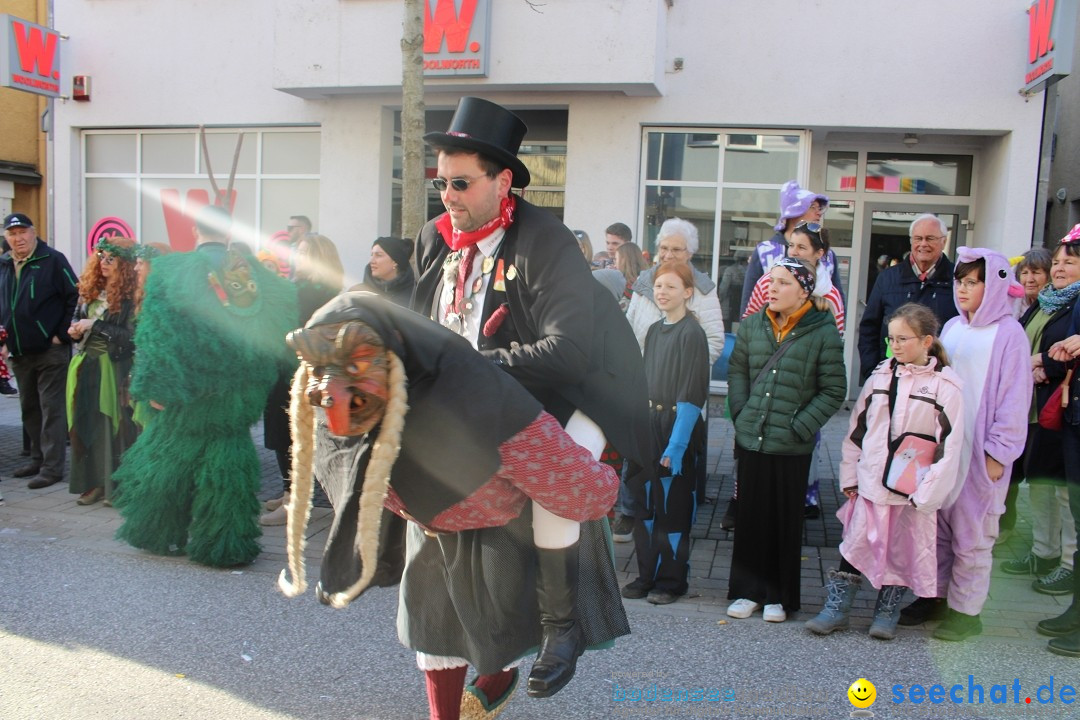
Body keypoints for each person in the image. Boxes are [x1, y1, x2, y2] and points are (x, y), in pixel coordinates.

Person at [278, 292, 626, 720]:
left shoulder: (486, 404)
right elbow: (350, 471)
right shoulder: (334, 396)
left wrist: (592, 465)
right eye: (322, 370)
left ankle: (556, 631)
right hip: (433, 521)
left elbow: (585, 491)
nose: (332, 395)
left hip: (507, 507)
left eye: (353, 365)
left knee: (503, 617)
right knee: (434, 623)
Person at [412, 96, 649, 715]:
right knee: (425, 524)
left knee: (555, 481)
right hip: (488, 397)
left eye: (461, 183)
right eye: (441, 182)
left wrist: (472, 368)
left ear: (504, 180)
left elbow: (568, 354)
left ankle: (560, 626)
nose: (448, 196)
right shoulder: (434, 240)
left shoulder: (545, 240)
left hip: (584, 388)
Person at [112, 205, 298, 567]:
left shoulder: (170, 270)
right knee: (227, 459)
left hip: (186, 391)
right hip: (237, 395)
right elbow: (280, 340)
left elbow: (155, 335)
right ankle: (224, 544)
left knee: (170, 459)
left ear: (195, 230)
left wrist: (153, 387)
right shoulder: (262, 278)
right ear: (229, 233)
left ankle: (158, 532)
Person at [805, 303, 963, 640]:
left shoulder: (945, 388)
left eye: (903, 339)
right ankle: (837, 608)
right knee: (855, 544)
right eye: (891, 339)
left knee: (901, 549)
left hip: (912, 494)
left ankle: (887, 611)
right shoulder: (878, 378)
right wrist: (850, 477)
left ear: (927, 341)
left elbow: (949, 447)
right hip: (872, 485)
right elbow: (856, 432)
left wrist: (928, 494)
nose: (895, 346)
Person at [899, 247, 1029, 641]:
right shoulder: (953, 327)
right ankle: (934, 595)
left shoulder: (1010, 335)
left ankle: (966, 611)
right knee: (936, 527)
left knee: (973, 534)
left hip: (979, 452)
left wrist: (998, 454)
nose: (963, 288)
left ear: (995, 287)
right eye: (959, 280)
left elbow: (1015, 398)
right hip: (945, 449)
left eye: (973, 281)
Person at [725, 257, 846, 623]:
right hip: (752, 439)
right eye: (770, 282)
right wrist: (742, 414)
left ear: (803, 290)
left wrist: (799, 426)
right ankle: (747, 592)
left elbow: (833, 389)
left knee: (783, 521)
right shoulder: (751, 326)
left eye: (782, 283)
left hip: (791, 446)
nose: (772, 289)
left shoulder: (823, 330)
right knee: (750, 518)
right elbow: (737, 374)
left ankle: (778, 596)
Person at [740, 221, 847, 518]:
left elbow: (832, 358)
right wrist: (742, 406)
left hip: (801, 399)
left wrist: (803, 421)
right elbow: (748, 331)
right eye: (791, 245)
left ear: (820, 253)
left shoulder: (830, 295)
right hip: (762, 396)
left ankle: (804, 501)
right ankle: (743, 502)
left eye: (802, 247)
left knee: (797, 460)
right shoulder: (767, 282)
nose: (794, 251)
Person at [621, 261, 708, 605]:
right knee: (644, 508)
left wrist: (676, 446)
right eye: (658, 286)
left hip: (677, 431)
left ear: (687, 292)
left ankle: (671, 581)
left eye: (671, 287)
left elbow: (692, 395)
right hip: (649, 429)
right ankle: (646, 576)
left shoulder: (693, 334)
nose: (662, 292)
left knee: (672, 510)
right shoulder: (655, 330)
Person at [999, 235, 1080, 592]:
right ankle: (1042, 552)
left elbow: (1066, 353)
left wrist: (1042, 362)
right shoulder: (1044, 303)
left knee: (1063, 492)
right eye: (1058, 262)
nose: (1061, 268)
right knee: (1040, 486)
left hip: (1058, 409)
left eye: (1069, 263)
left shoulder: (1075, 305)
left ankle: (1067, 563)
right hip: (1032, 408)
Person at [260, 233, 345, 526]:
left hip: (304, 373)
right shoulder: (300, 287)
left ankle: (295, 501)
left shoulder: (323, 290)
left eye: (306, 251)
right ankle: (288, 493)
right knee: (282, 432)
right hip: (287, 370)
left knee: (295, 435)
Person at [0, 213, 80, 490]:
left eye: (23, 232)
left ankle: (52, 467)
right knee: (30, 409)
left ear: (34, 233)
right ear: (6, 238)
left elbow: (75, 296)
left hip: (50, 351)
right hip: (19, 350)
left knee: (51, 410)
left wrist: (60, 335)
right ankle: (37, 458)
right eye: (12, 234)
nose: (18, 238)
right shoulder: (4, 264)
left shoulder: (53, 260)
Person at [66, 238, 139, 507]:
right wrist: (74, 331)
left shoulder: (131, 297)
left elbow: (130, 338)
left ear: (126, 264)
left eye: (111, 258)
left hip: (115, 367)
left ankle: (117, 486)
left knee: (116, 427)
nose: (104, 262)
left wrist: (94, 324)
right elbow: (76, 320)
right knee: (86, 424)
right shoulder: (89, 289)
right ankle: (93, 483)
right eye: (101, 256)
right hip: (86, 364)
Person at [858, 214, 958, 383]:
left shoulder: (956, 280)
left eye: (930, 238)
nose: (923, 244)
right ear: (911, 241)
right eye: (918, 238)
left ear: (944, 241)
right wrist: (872, 372)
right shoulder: (888, 278)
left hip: (937, 381)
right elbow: (869, 328)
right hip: (891, 378)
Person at [626, 218, 725, 365]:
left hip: (680, 381)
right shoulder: (643, 282)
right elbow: (627, 330)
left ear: (690, 253)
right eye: (664, 248)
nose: (668, 255)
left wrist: (684, 372)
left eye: (676, 249)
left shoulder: (702, 288)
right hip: (639, 376)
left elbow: (714, 341)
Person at [739, 180, 842, 317]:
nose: (819, 213)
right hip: (770, 333)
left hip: (816, 332)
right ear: (794, 212)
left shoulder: (828, 256)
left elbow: (838, 303)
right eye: (812, 207)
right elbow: (749, 304)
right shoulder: (765, 251)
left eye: (820, 208)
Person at [360, 236, 416, 307]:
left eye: (378, 255)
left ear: (395, 261)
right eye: (372, 255)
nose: (371, 261)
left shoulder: (415, 296)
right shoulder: (358, 293)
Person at [718, 251, 748, 333]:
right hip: (745, 304)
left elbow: (723, 289)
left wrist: (719, 301)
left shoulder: (730, 270)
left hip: (730, 305)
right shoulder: (749, 271)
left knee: (728, 329)